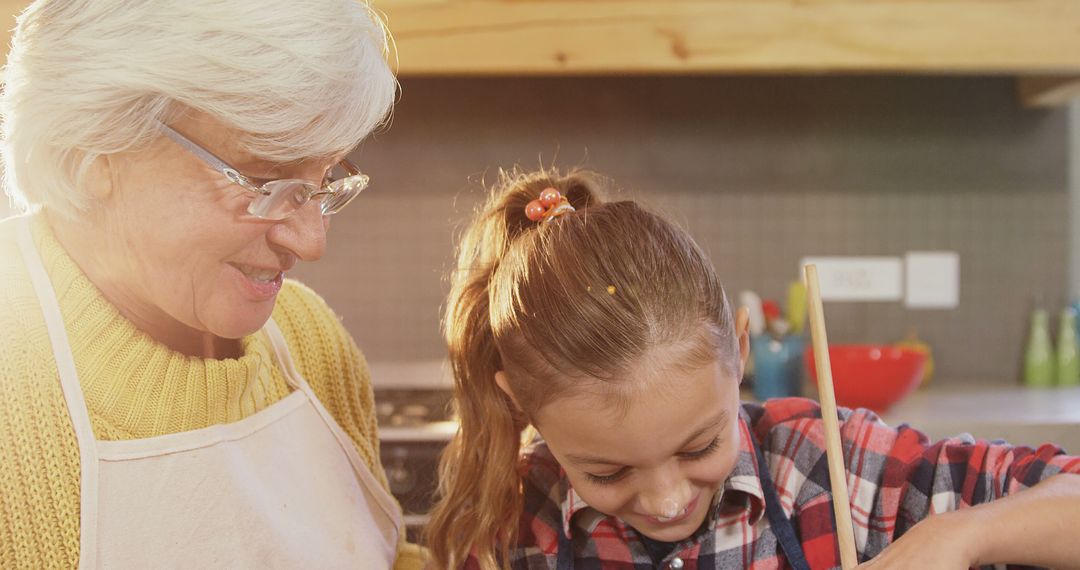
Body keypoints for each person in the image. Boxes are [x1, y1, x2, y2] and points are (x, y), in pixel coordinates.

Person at [425, 167, 1080, 569]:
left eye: (700, 444)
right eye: (607, 471)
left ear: (737, 352)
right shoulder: (504, 529)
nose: (668, 499)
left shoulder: (831, 469)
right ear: (518, 403)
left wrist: (957, 537)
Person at [0, 1, 426, 568]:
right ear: (92, 150)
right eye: (264, 179)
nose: (310, 243)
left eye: (323, 181)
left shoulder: (308, 339)